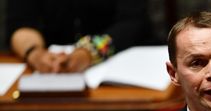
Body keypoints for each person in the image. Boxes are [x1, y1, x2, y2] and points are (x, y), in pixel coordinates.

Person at [6, 0, 157, 73]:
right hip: (52, 70)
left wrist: (88, 53)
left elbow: (133, 22)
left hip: (122, 60)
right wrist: (36, 54)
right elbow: (19, 25)